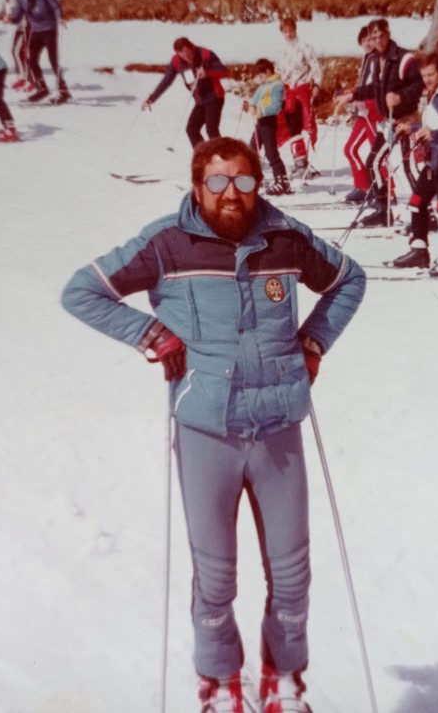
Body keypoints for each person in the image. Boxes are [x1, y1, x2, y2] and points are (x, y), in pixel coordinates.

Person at [61, 136, 366, 713]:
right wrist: (150, 334)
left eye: (245, 181)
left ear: (258, 185)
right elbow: (83, 291)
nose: (232, 193)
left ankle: (283, 681)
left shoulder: (286, 239)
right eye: (219, 181)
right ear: (198, 186)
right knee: (216, 576)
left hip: (278, 428)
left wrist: (315, 341)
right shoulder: (166, 244)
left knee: (292, 574)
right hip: (206, 430)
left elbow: (350, 279)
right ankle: (220, 683)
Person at [335, 18, 423, 227]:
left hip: (406, 119)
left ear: (388, 34)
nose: (378, 41)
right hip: (388, 121)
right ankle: (384, 210)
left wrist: (400, 96)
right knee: (374, 162)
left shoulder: (404, 58)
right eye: (373, 37)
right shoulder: (375, 60)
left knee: (409, 167)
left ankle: (425, 213)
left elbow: (419, 84)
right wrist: (353, 95)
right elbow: (374, 89)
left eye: (381, 36)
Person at [388, 53, 438, 277]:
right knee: (417, 202)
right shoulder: (434, 95)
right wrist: (412, 128)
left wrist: (433, 134)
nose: (427, 79)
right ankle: (419, 250)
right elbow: (432, 126)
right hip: (434, 159)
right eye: (424, 75)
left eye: (431, 74)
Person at [142, 36, 227, 148]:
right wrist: (152, 98)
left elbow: (224, 72)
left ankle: (222, 155)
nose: (187, 58)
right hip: (200, 101)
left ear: (192, 48)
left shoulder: (205, 54)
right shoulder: (176, 61)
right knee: (191, 130)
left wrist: (207, 73)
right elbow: (166, 80)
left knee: (211, 130)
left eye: (189, 54)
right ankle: (202, 155)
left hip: (214, 97)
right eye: (183, 56)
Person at [5, 0, 71, 104]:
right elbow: (18, 15)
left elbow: (55, 5)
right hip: (35, 30)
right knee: (31, 59)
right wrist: (10, 18)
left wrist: (59, 17)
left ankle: (63, 91)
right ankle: (42, 87)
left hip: (49, 28)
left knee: (53, 59)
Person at [275, 17, 322, 178]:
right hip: (287, 92)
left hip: (302, 89)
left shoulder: (304, 47)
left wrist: (316, 84)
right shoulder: (281, 51)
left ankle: (303, 161)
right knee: (291, 126)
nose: (289, 34)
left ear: (295, 30)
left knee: (305, 124)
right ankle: (299, 160)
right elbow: (278, 71)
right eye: (285, 31)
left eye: (291, 30)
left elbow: (315, 67)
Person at [341, 25, 381, 205]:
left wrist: (364, 100)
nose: (367, 43)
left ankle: (387, 191)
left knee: (377, 154)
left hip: (374, 111)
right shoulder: (367, 58)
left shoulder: (379, 59)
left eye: (370, 40)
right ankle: (362, 187)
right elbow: (365, 85)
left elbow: (378, 87)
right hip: (364, 112)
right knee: (350, 149)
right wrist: (354, 93)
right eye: (363, 41)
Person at [243, 58, 292, 195]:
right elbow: (255, 101)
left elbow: (275, 107)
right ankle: (255, 177)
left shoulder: (277, 86)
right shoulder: (263, 86)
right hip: (260, 122)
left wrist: (257, 110)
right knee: (252, 150)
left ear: (268, 71)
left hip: (269, 122)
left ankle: (282, 182)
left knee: (271, 153)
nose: (258, 79)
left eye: (260, 75)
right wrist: (249, 106)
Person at [0, 0, 33, 91]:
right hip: (21, 26)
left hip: (28, 25)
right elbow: (3, 11)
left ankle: (31, 80)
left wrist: (10, 17)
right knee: (16, 52)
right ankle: (22, 77)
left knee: (21, 52)